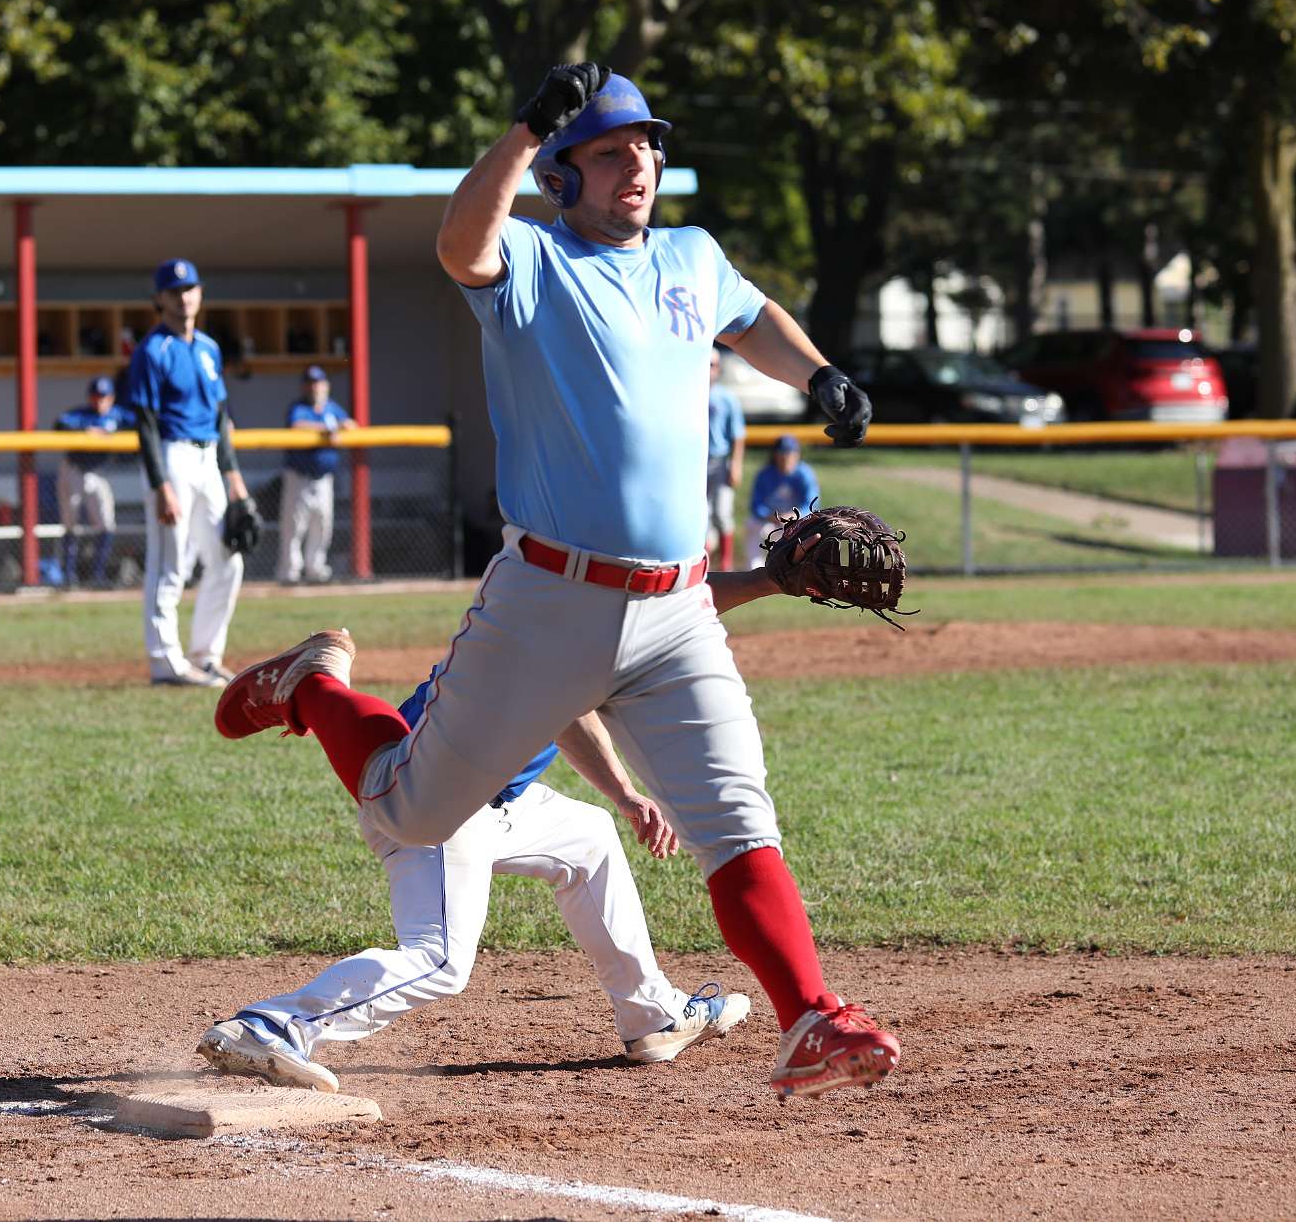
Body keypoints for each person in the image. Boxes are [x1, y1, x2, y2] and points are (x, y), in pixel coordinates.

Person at [215, 65, 895, 1102]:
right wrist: (528, 126)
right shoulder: (533, 258)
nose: (638, 164)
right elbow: (459, 246)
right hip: (547, 598)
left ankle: (811, 1014)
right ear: (560, 176)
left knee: (735, 818)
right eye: (610, 150)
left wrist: (816, 374)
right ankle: (312, 686)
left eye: (646, 145)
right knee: (409, 813)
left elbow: (751, 315)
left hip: (677, 607)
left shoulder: (690, 255)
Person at [199, 567, 802, 1096]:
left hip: (487, 800)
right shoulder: (555, 621)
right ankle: (271, 1026)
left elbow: (576, 702)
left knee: (590, 838)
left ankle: (653, 1016)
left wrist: (623, 795)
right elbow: (672, 601)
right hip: (437, 802)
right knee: (440, 960)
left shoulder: (562, 623)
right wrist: (767, 581)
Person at [124, 258, 255, 686]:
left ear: (200, 293)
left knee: (227, 558)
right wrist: (161, 484)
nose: (184, 297)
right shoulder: (152, 351)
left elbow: (220, 418)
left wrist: (234, 478)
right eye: (175, 291)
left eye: (190, 288)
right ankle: (165, 662)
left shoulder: (208, 348)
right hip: (172, 456)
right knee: (170, 562)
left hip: (209, 457)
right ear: (160, 299)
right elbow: (144, 424)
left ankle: (206, 655)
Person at [278, 365, 357, 584]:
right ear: (304, 386)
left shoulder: (332, 408)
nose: (315, 387)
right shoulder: (299, 407)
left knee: (322, 526)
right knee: (294, 527)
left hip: (323, 479)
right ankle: (290, 572)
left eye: (318, 383)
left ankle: (315, 569)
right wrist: (326, 429)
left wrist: (341, 426)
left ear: (326, 385)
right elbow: (297, 425)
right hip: (299, 477)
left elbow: (351, 424)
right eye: (311, 383)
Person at [54, 376, 130, 587]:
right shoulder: (81, 415)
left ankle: (97, 576)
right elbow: (60, 424)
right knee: (70, 523)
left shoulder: (118, 415)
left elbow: (140, 422)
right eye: (96, 396)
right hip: (74, 470)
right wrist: (85, 431)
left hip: (98, 473)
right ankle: (69, 576)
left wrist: (110, 432)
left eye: (103, 397)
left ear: (111, 398)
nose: (99, 401)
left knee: (106, 523)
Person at [745, 435, 820, 569]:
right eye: (782, 453)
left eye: (790, 453)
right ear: (775, 455)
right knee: (752, 524)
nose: (786, 457)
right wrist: (770, 515)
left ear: (797, 455)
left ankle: (796, 570)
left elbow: (811, 505)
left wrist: (793, 516)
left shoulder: (804, 474)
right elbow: (756, 505)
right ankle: (754, 568)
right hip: (770, 521)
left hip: (797, 523)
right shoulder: (765, 474)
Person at [706, 348, 746, 570]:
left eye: (712, 365)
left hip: (719, 460)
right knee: (701, 514)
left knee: (722, 511)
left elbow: (738, 435)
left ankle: (726, 564)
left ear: (719, 369)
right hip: (697, 463)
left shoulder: (726, 398)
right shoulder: (691, 394)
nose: (709, 370)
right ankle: (705, 563)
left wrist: (736, 464)